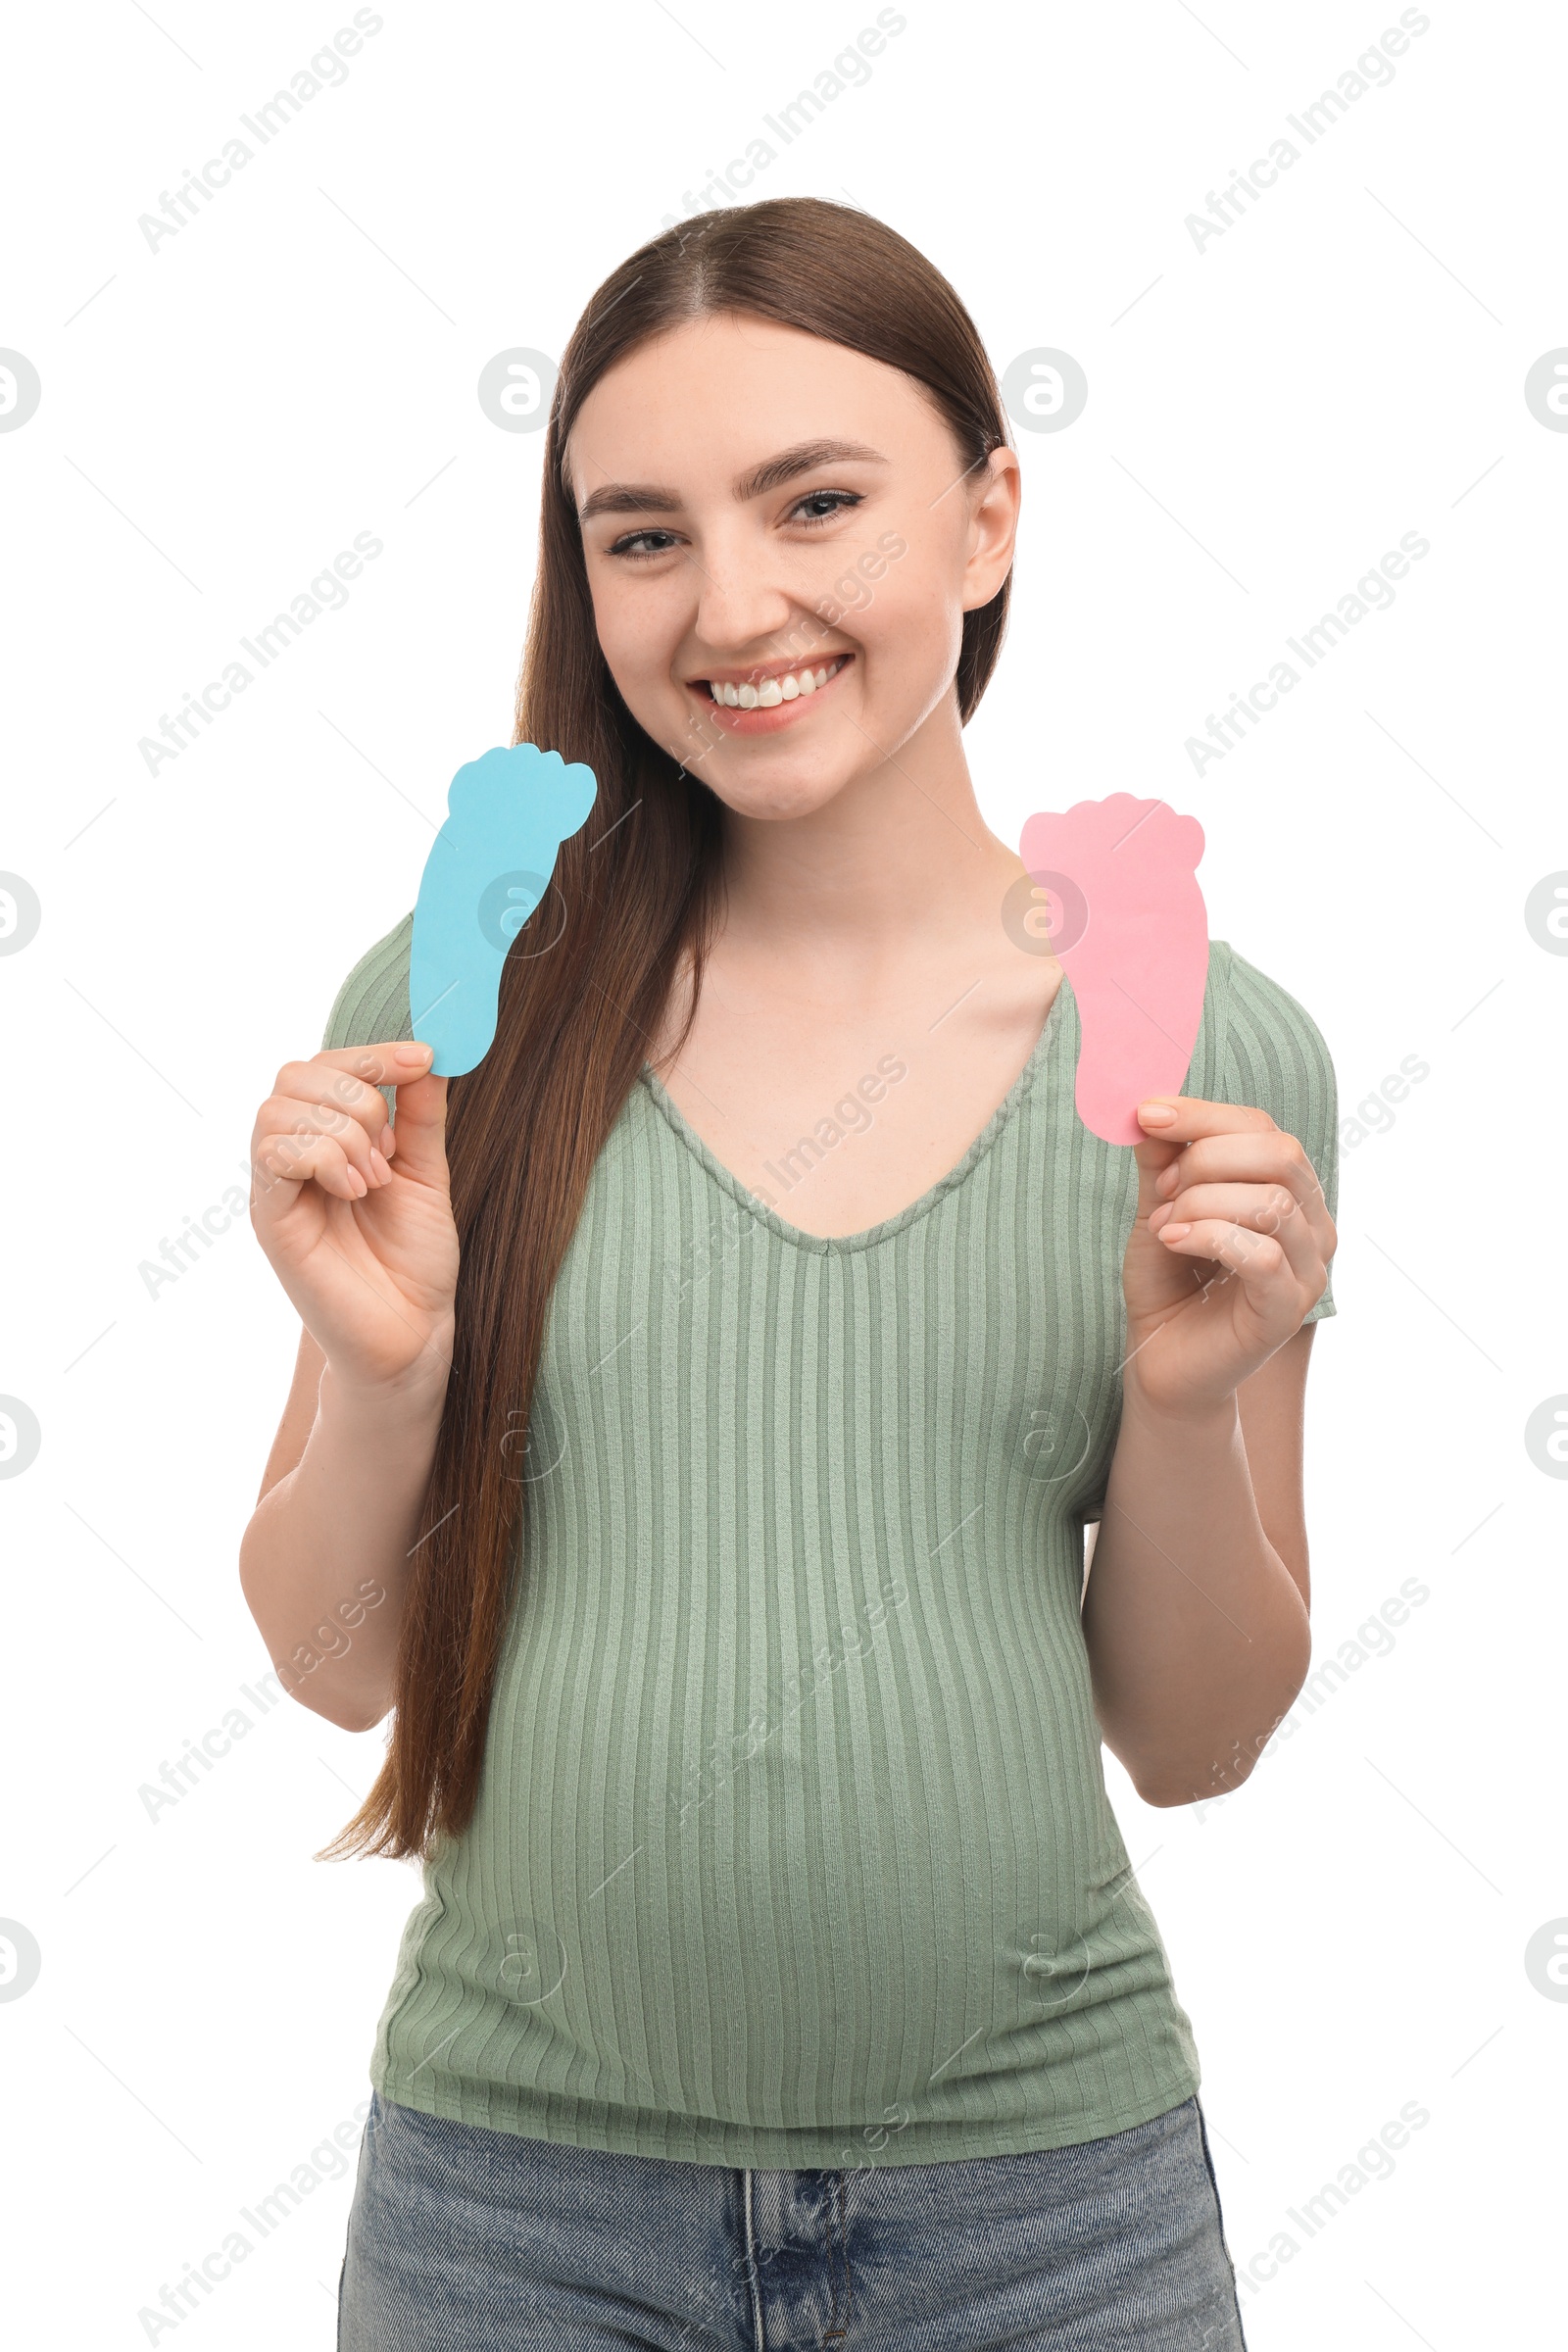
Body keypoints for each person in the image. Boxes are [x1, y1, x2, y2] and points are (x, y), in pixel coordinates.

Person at [240, 197, 1338, 2350]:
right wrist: (382, 1378)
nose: (728, 605)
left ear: (986, 517)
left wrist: (1190, 1401)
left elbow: (1194, 1742)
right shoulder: (457, 993)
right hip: (515, 2220)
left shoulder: (1197, 1044)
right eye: (638, 536)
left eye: (815, 502)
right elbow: (330, 1663)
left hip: (1048, 2222)